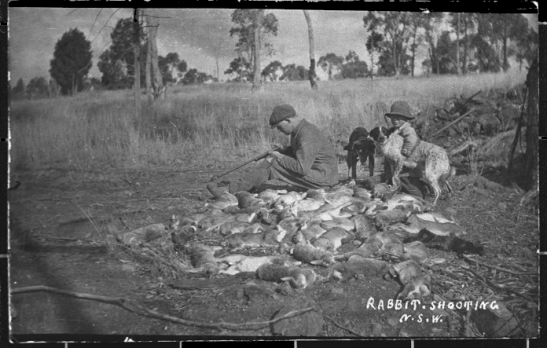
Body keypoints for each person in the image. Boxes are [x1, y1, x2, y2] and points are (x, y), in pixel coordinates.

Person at [207, 104, 339, 198]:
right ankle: (240, 185)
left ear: (288, 120)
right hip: (319, 173)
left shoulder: (306, 134)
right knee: (271, 160)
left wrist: (279, 156)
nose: (279, 130)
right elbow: (299, 153)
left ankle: (230, 190)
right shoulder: (299, 130)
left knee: (272, 164)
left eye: (279, 127)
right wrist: (283, 150)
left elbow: (301, 168)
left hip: (324, 179)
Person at [384, 101, 429, 199]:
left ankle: (423, 188)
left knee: (415, 193)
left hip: (408, 170)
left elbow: (411, 142)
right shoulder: (393, 131)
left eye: (399, 117)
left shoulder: (408, 130)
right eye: (393, 117)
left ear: (406, 119)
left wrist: (404, 153)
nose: (395, 120)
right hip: (396, 169)